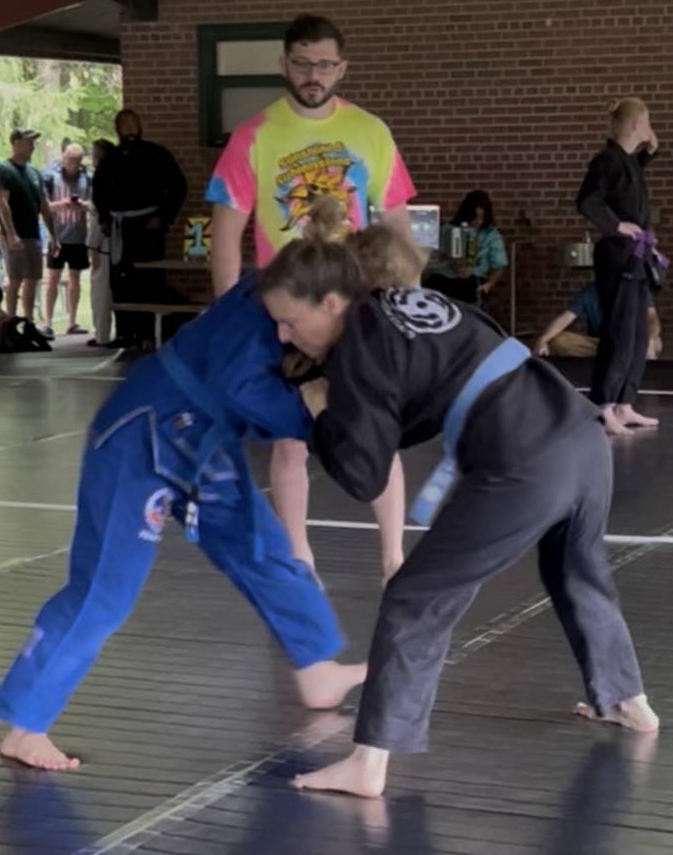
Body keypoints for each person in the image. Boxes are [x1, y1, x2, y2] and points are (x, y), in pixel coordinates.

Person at [257, 220, 659, 799]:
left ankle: (368, 763)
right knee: (576, 569)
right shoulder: (419, 305)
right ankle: (626, 698)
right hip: (580, 435)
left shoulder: (360, 340)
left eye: (290, 322)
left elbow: (364, 474)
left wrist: (320, 412)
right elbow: (416, 411)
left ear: (332, 301)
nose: (283, 334)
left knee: (414, 594)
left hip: (526, 462)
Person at [0, 269, 367, 772]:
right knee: (105, 588)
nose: (285, 332)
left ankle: (315, 664)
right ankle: (26, 725)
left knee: (260, 545)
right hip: (138, 433)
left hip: (198, 438)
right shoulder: (269, 305)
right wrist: (318, 419)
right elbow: (243, 389)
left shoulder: (288, 299)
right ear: (327, 302)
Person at [206, 13, 416, 580]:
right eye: (302, 63)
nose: (313, 74)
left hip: (354, 306)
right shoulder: (254, 135)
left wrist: (408, 300)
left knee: (378, 429)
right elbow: (226, 231)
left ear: (342, 68)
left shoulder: (371, 131)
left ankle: (394, 556)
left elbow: (395, 220)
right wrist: (227, 314)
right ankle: (298, 556)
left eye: (324, 64)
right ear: (284, 65)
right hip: (287, 312)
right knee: (289, 436)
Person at [576, 97, 661, 436]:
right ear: (635, 124)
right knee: (619, 332)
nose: (650, 129)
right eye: (647, 122)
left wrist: (652, 147)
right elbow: (587, 200)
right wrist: (616, 226)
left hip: (635, 257)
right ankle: (603, 404)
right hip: (617, 256)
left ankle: (625, 403)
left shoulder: (627, 162)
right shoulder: (606, 161)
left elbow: (638, 166)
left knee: (637, 334)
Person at [92, 109, 187, 349]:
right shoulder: (110, 159)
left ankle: (148, 333)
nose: (129, 130)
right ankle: (125, 332)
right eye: (124, 125)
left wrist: (163, 217)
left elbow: (178, 187)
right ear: (117, 130)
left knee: (148, 278)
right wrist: (105, 218)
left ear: (140, 127)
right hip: (120, 227)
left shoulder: (156, 154)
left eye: (132, 124)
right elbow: (99, 192)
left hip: (147, 227)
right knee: (121, 280)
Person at [0, 128, 59, 323]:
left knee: (33, 279)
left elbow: (44, 205)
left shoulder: (34, 172)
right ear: (16, 142)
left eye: (33, 142)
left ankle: (29, 322)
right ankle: (11, 322)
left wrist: (54, 236)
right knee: (15, 280)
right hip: (14, 234)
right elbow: (2, 203)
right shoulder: (3, 169)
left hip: (33, 233)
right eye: (28, 142)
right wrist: (11, 234)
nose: (32, 146)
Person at [533, 281, 662, 360]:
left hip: (627, 343)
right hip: (599, 346)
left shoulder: (637, 289)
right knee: (558, 341)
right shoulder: (589, 291)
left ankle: (620, 358)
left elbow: (652, 318)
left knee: (656, 342)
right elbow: (564, 318)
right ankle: (617, 359)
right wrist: (542, 339)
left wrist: (650, 339)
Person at [41, 143, 93, 339]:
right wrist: (61, 204)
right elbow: (44, 206)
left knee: (75, 278)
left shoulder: (87, 178)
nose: (73, 164)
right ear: (63, 158)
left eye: (77, 161)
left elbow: (93, 205)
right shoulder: (50, 177)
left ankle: (72, 321)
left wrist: (82, 205)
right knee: (53, 278)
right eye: (70, 160)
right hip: (57, 236)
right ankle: (48, 322)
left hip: (78, 236)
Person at [425, 190, 508, 304]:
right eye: (474, 217)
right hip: (444, 275)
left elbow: (498, 265)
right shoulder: (449, 229)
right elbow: (434, 256)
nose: (478, 222)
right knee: (433, 285)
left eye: (481, 217)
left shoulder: (491, 235)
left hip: (472, 279)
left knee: (466, 287)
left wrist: (488, 285)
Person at [86, 139, 115, 347]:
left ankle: (102, 334)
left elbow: (98, 218)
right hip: (112, 243)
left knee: (101, 291)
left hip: (103, 245)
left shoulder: (102, 181)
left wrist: (93, 247)